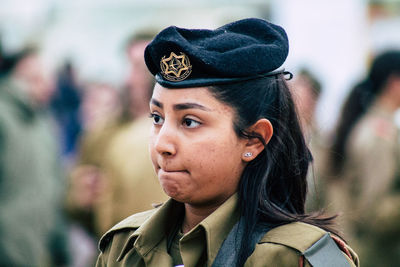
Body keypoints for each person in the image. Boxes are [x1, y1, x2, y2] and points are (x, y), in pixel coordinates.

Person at [96, 18, 359, 267]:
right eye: (157, 117)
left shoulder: (298, 258)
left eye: (189, 121)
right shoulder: (124, 247)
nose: (162, 143)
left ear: (254, 140)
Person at [326, 50, 400, 266]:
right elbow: (374, 212)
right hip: (375, 256)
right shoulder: (379, 134)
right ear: (394, 82)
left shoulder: (380, 128)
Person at [0, 46, 70, 266]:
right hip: (10, 250)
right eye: (43, 78)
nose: (51, 87)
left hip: (36, 248)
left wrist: (60, 244)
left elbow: (53, 186)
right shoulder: (5, 118)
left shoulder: (42, 121)